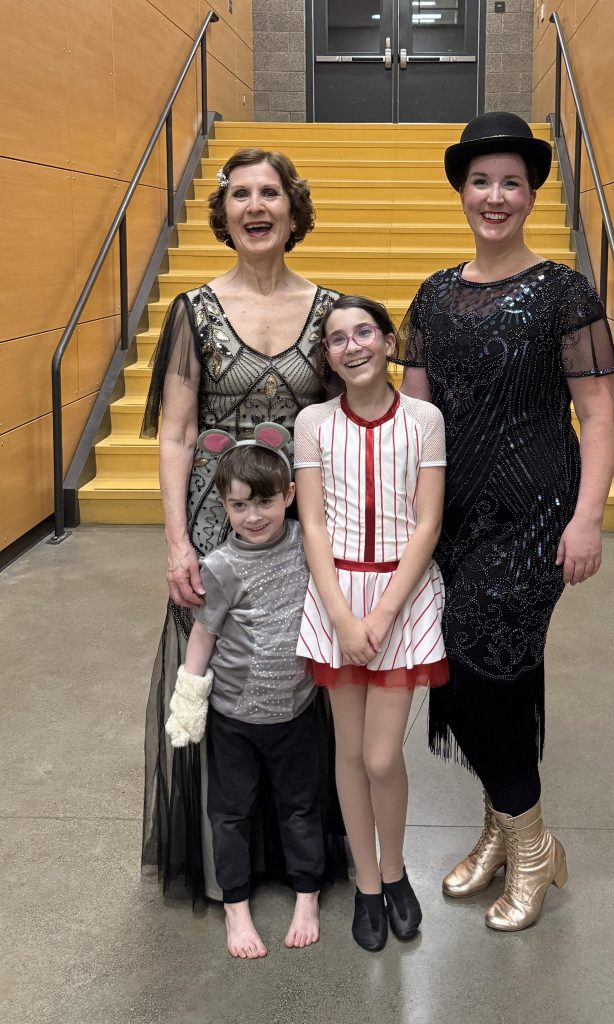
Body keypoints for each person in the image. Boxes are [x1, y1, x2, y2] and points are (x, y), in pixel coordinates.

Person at [395, 112, 614, 932]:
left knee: (478, 662)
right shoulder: (433, 295)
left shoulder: (562, 291)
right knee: (495, 674)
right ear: (462, 191)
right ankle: (499, 828)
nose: (495, 196)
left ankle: (531, 846)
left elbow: (597, 415)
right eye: (480, 181)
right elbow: (414, 420)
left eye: (511, 183)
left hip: (535, 511)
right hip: (452, 514)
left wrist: (588, 519)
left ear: (530, 195)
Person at [141, 148, 341, 901]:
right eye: (240, 195)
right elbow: (176, 433)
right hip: (213, 521)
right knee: (217, 670)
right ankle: (224, 854)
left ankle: (298, 853)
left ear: (292, 209)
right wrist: (176, 541)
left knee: (295, 672)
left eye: (270, 193)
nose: (255, 206)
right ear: (223, 213)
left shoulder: (330, 312)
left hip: (293, 524)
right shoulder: (192, 311)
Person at [294, 295, 448, 952]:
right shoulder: (311, 422)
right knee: (349, 754)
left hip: (402, 597)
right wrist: (340, 615)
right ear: (326, 355)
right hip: (335, 597)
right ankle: (365, 883)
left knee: (383, 757)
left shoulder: (424, 419)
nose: (352, 345)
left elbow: (427, 523)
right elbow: (313, 524)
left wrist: (382, 614)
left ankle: (395, 872)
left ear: (388, 342)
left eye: (365, 332)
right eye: (336, 338)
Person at [164, 427, 324, 958]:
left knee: (301, 806)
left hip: (297, 709)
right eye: (239, 505)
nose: (253, 516)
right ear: (224, 506)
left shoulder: (307, 543)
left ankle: (307, 895)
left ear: (289, 496)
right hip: (233, 717)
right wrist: (189, 700)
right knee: (230, 813)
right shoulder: (220, 566)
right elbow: (203, 636)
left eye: (265, 502)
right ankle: (236, 908)